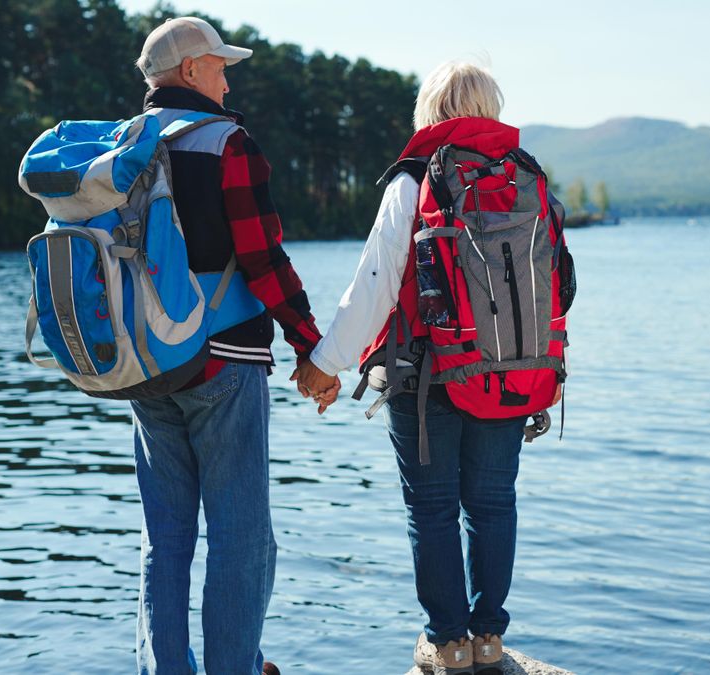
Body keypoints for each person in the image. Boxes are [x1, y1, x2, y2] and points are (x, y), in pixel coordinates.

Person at [303, 61, 563, 675]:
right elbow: (558, 284)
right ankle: (489, 639)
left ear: (431, 111)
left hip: (425, 376)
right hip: (510, 372)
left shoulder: (416, 179)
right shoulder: (527, 179)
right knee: (493, 504)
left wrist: (324, 363)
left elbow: (375, 282)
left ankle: (447, 643)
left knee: (433, 508)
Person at [129, 16, 333, 675]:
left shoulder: (126, 145)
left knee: (165, 539)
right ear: (190, 71)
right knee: (241, 539)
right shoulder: (227, 143)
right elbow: (262, 258)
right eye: (219, 67)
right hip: (223, 363)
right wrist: (311, 345)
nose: (227, 81)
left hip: (144, 366)